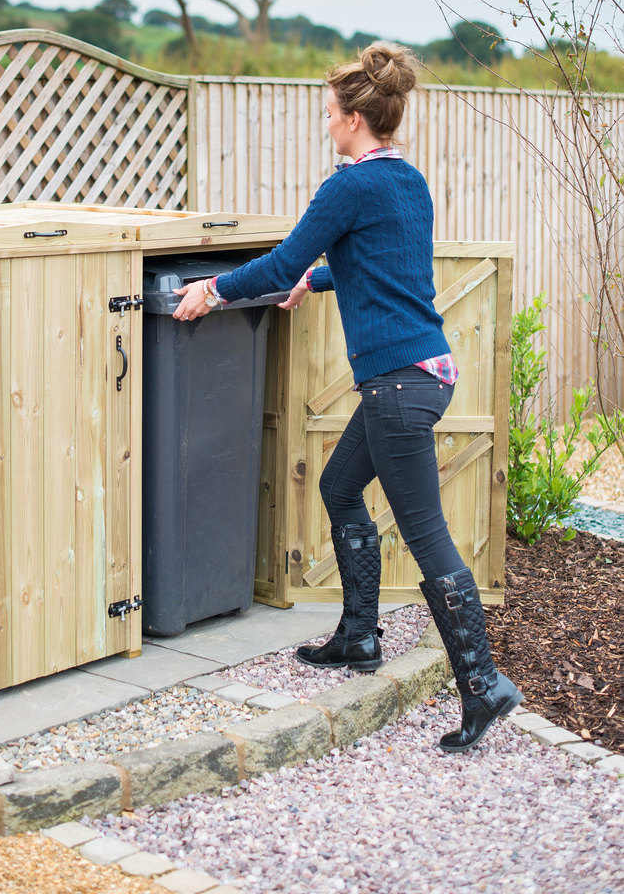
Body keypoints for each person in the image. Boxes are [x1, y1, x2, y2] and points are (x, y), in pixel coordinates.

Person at [172, 41, 522, 753]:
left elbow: (280, 261)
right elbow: (386, 264)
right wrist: (319, 280)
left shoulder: (348, 186)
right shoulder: (407, 180)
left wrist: (213, 290)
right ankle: (360, 636)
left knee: (427, 536)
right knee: (338, 486)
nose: (326, 123)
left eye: (330, 113)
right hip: (423, 374)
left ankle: (483, 684)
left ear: (355, 119)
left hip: (396, 386)